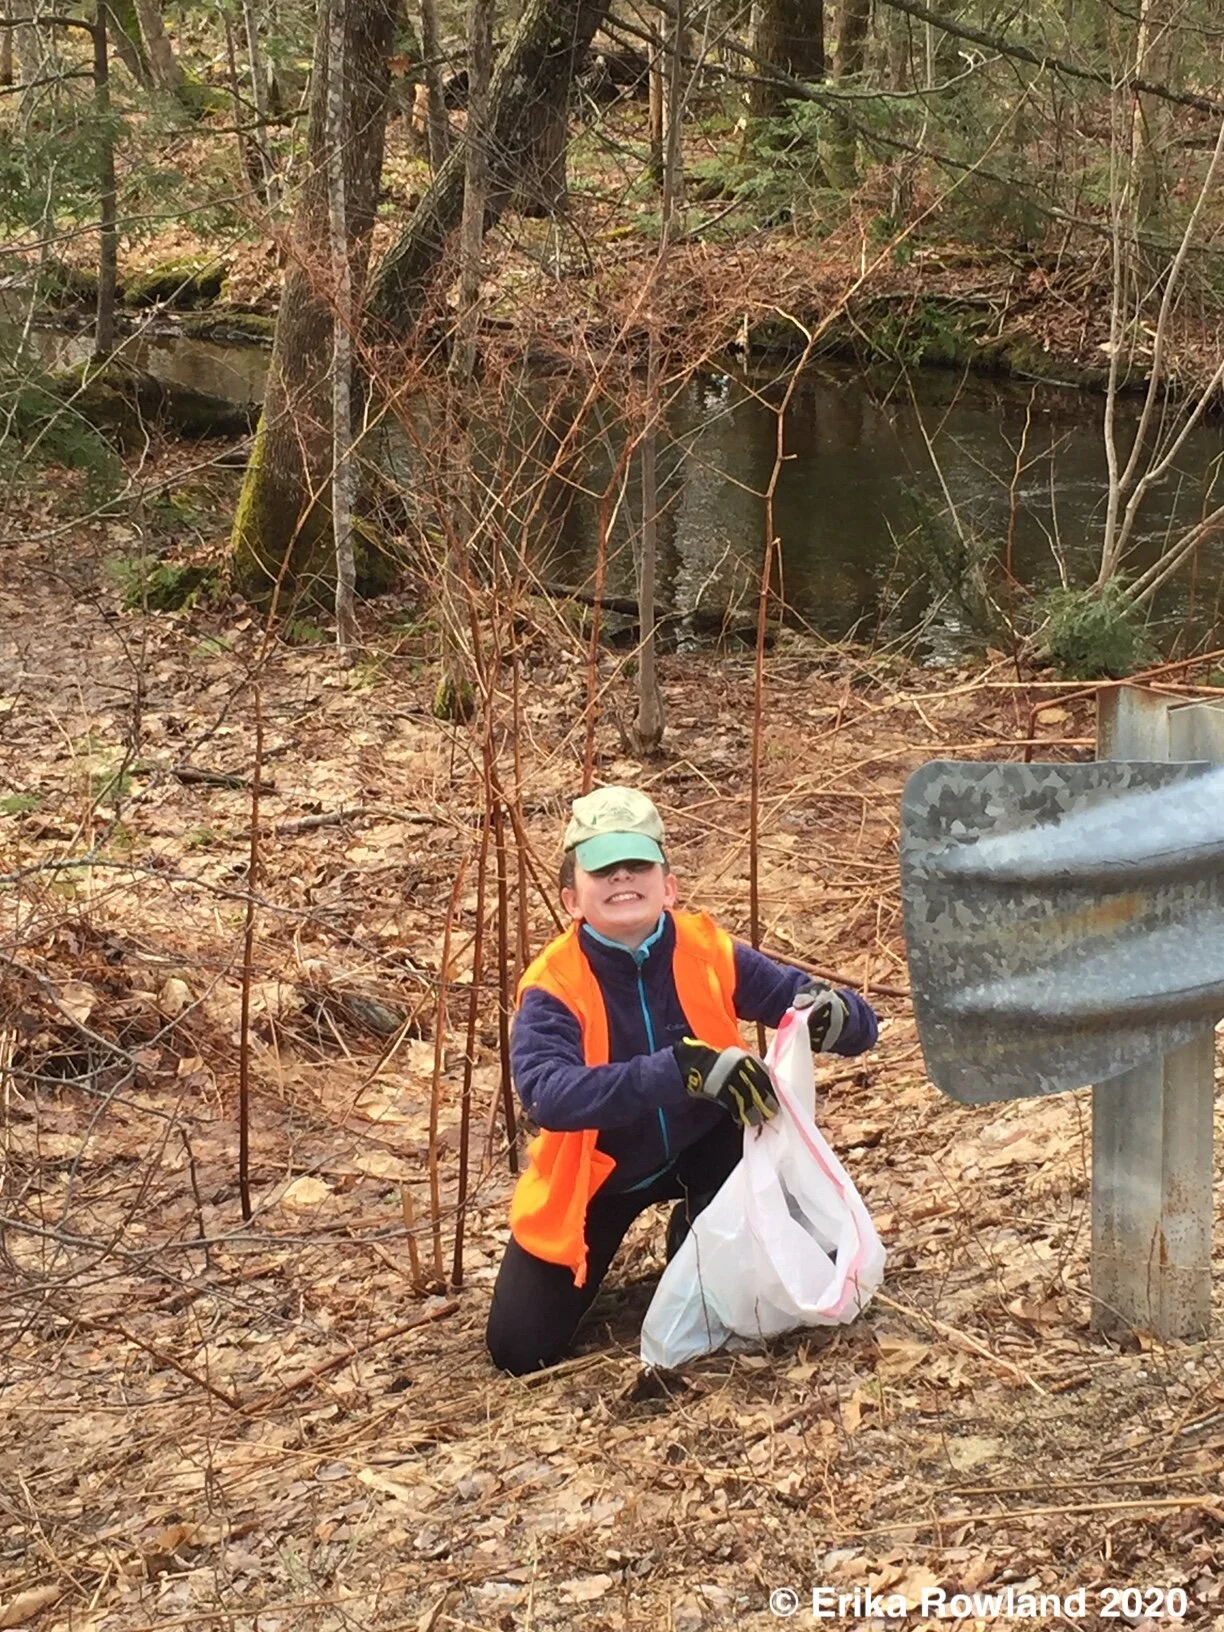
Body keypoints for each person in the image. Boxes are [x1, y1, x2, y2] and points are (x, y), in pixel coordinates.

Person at [485, 786, 878, 1376]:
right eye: (603, 868)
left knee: (798, 1268)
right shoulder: (553, 985)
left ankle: (698, 1230)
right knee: (518, 1349)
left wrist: (843, 1017)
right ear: (572, 898)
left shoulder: (706, 949)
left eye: (638, 864)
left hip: (709, 1150)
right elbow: (548, 1094)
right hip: (602, 1176)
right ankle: (691, 1246)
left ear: (667, 885)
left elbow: (806, 1005)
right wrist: (678, 1071)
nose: (623, 878)